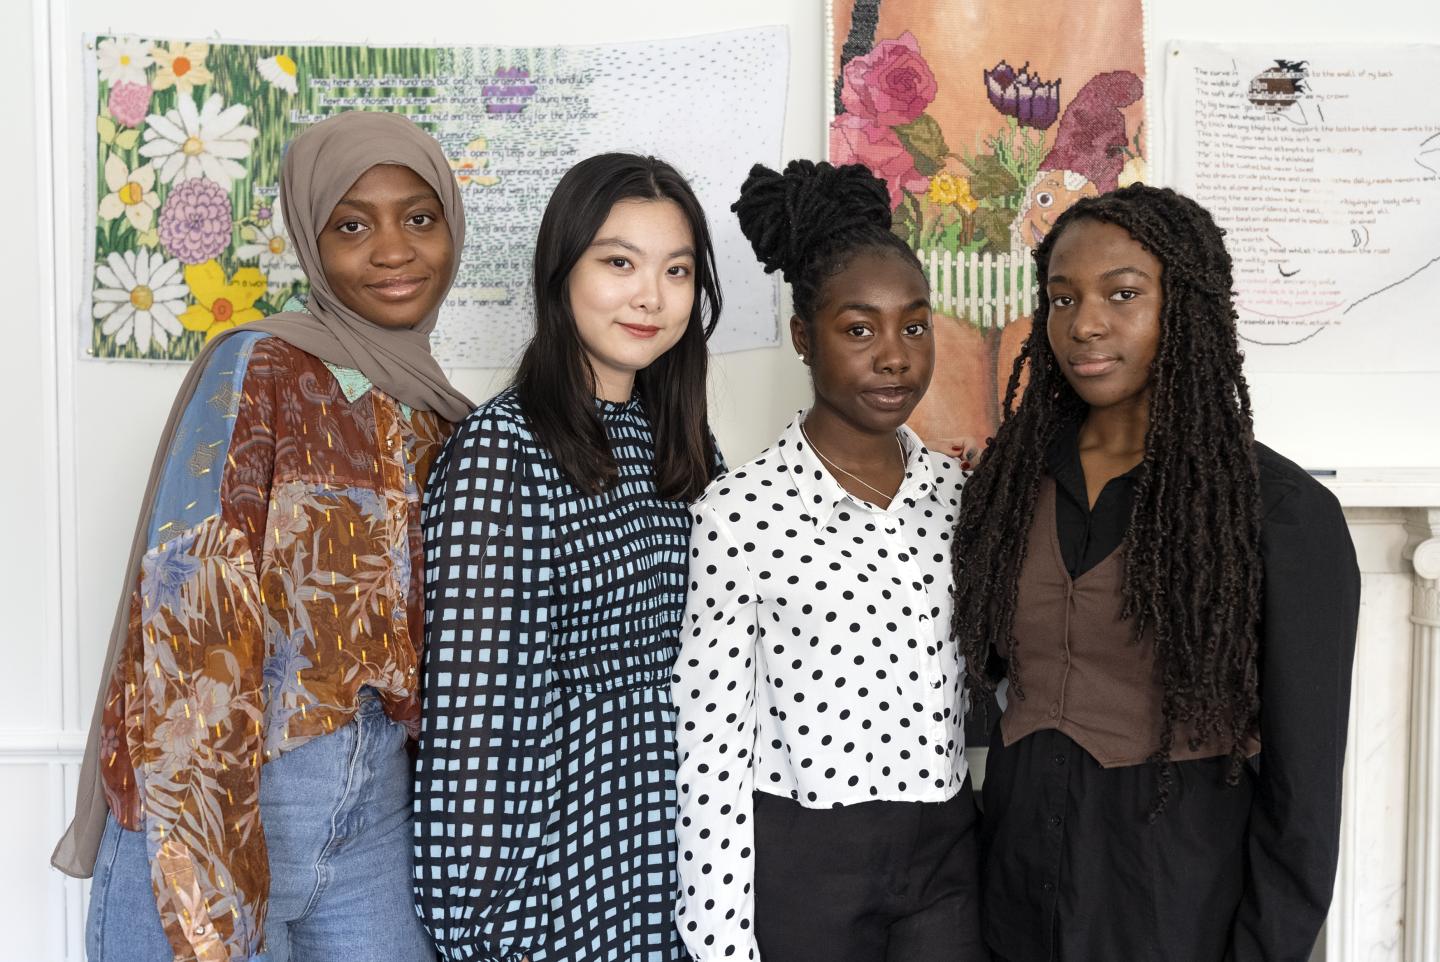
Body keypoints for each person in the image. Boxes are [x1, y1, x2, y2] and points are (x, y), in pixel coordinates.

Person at [53, 110, 472, 961]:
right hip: (230, 796)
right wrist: (206, 864)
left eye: (419, 218)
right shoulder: (263, 367)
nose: (393, 250)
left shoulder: (438, 410)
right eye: (351, 225)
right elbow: (189, 601)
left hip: (377, 814)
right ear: (312, 243)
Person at [951, 184, 1360, 962]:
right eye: (1062, 298)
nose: (1086, 324)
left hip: (1170, 902)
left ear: (1188, 306)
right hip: (1010, 894)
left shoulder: (1279, 513)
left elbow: (1302, 800)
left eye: (1124, 294)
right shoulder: (1008, 487)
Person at [413, 153, 723, 962]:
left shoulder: (680, 444)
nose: (651, 296)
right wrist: (485, 928)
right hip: (555, 866)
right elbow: (472, 728)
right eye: (619, 262)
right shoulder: (501, 452)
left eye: (676, 270)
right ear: (560, 270)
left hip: (678, 849)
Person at [672, 160, 982, 962]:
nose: (894, 356)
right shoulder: (739, 512)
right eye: (859, 329)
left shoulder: (960, 498)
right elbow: (711, 744)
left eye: (914, 327)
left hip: (944, 847)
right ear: (805, 339)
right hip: (806, 861)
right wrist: (720, 943)